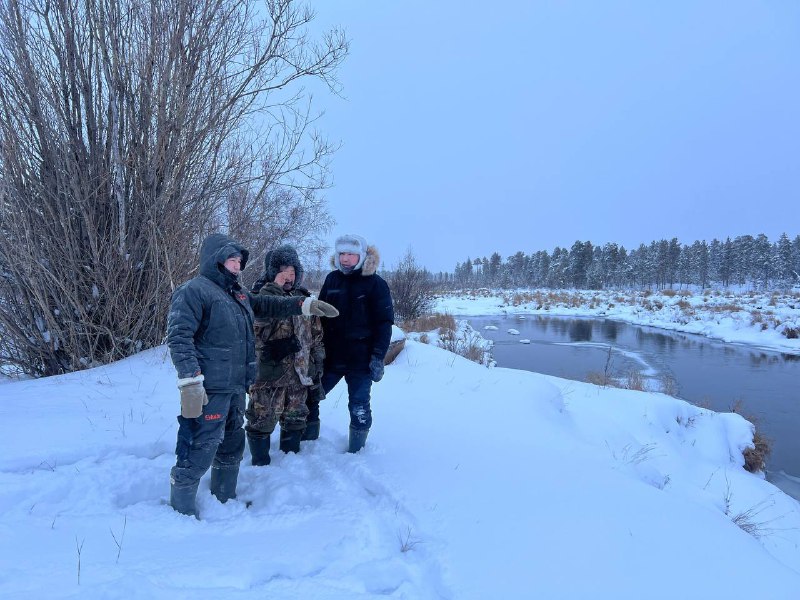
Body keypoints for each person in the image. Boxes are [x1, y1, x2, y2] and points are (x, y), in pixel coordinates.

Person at [166, 233, 338, 518]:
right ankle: (180, 511)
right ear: (215, 259)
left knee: (232, 444)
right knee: (201, 445)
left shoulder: (237, 294)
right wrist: (190, 380)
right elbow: (179, 337)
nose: (237, 266)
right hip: (209, 387)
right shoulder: (194, 291)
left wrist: (303, 305)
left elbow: (266, 304)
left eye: (239, 261)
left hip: (235, 385)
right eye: (232, 260)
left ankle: (223, 498)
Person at [245, 245, 325, 464]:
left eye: (292, 271)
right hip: (268, 375)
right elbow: (254, 329)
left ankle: (290, 465)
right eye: (282, 271)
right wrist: (274, 290)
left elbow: (316, 335)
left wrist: (317, 365)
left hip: (298, 375)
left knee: (295, 418)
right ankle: (260, 466)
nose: (288, 276)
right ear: (272, 272)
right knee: (261, 420)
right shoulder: (257, 297)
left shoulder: (304, 298)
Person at [317, 234, 394, 453]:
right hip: (331, 358)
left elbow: (384, 323)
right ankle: (304, 442)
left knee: (359, 406)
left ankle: (357, 451)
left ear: (361, 256)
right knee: (310, 397)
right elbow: (319, 318)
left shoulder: (376, 284)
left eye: (351, 254)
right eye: (342, 254)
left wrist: (378, 357)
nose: (346, 259)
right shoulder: (332, 279)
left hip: (361, 360)